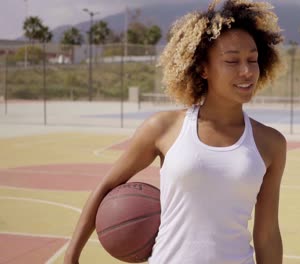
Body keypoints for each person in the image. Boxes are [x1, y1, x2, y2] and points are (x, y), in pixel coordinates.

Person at [64, 0, 286, 263]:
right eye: (232, 61)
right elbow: (105, 188)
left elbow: (267, 233)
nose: (247, 71)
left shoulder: (270, 143)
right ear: (203, 68)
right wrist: (71, 256)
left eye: (252, 59)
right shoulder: (163, 128)